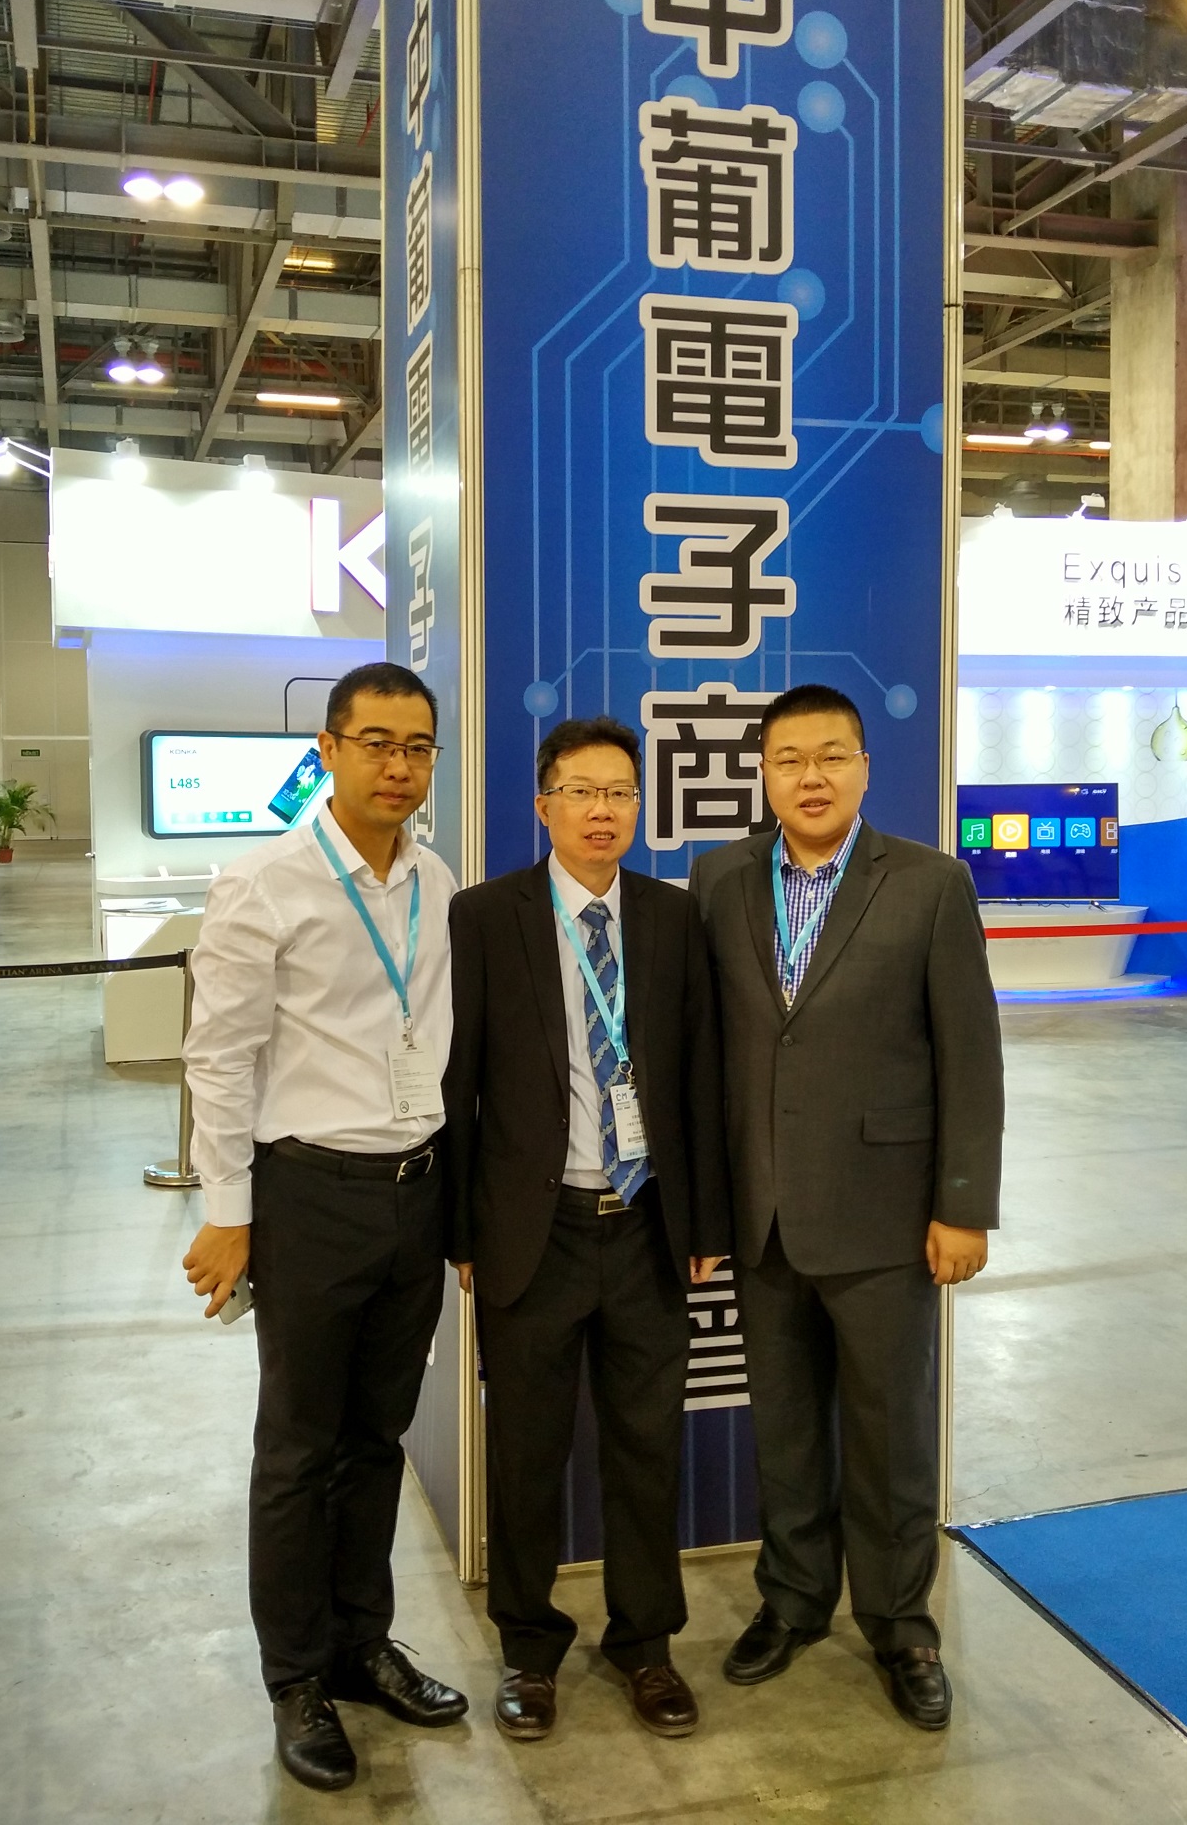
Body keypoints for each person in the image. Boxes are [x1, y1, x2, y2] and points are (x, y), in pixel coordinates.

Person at [687, 683, 1003, 1732]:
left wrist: (964, 1205)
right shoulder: (720, 878)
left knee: (890, 1433)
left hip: (887, 1216)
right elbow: (710, 1053)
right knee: (784, 1429)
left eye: (831, 756)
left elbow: (971, 1057)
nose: (810, 777)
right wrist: (706, 1209)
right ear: (763, 773)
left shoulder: (929, 882)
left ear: (865, 767)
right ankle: (792, 1599)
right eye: (789, 759)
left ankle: (902, 1624)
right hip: (764, 1213)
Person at [180, 663, 468, 1793]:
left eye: (417, 746)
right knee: (298, 1447)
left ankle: (361, 1640)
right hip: (307, 1195)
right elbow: (219, 1055)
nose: (399, 766)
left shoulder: (437, 880)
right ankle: (296, 1674)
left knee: (376, 1436)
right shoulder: (267, 882)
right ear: (331, 751)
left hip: (415, 1189)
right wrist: (228, 1212)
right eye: (376, 743)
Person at [443, 716, 730, 1743]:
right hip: (535, 1230)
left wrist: (703, 1216)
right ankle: (528, 1649)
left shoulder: (673, 915)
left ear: (639, 807)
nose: (601, 810)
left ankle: (645, 1643)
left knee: (647, 1446)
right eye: (580, 791)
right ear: (543, 804)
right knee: (525, 1453)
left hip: (647, 1225)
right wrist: (462, 1232)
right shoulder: (487, 916)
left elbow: (699, 1074)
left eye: (619, 792)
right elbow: (458, 1083)